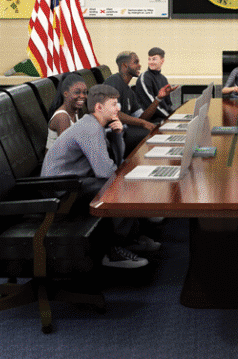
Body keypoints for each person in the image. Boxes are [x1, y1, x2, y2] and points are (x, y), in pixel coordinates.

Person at [41, 84, 156, 268]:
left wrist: (118, 136)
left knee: (120, 180)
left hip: (75, 181)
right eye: (113, 104)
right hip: (61, 189)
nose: (118, 108)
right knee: (117, 185)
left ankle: (130, 238)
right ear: (99, 108)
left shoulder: (95, 125)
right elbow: (107, 173)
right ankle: (113, 251)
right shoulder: (90, 130)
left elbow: (114, 165)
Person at [103, 51, 173, 153]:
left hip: (125, 131)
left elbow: (142, 118)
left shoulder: (129, 90)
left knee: (158, 129)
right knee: (154, 134)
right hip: (112, 134)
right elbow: (113, 114)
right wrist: (143, 123)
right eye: (136, 62)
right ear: (125, 65)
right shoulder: (114, 82)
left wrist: (158, 98)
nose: (140, 66)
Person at [133, 47, 177, 121]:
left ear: (162, 61)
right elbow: (152, 105)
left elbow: (168, 104)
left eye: (154, 59)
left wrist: (173, 116)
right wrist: (169, 118)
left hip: (162, 117)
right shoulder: (144, 78)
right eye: (149, 59)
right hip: (150, 120)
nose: (151, 62)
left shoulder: (163, 78)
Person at [48, 73, 87, 150]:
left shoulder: (74, 110)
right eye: (77, 92)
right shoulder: (62, 117)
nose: (82, 96)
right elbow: (67, 151)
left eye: (84, 92)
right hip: (58, 161)